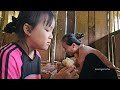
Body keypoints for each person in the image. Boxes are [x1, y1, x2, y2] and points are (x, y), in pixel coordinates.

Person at [0, 11, 79, 79]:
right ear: (28, 29)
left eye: (52, 31)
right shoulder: (9, 56)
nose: (51, 36)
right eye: (47, 30)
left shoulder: (37, 55)